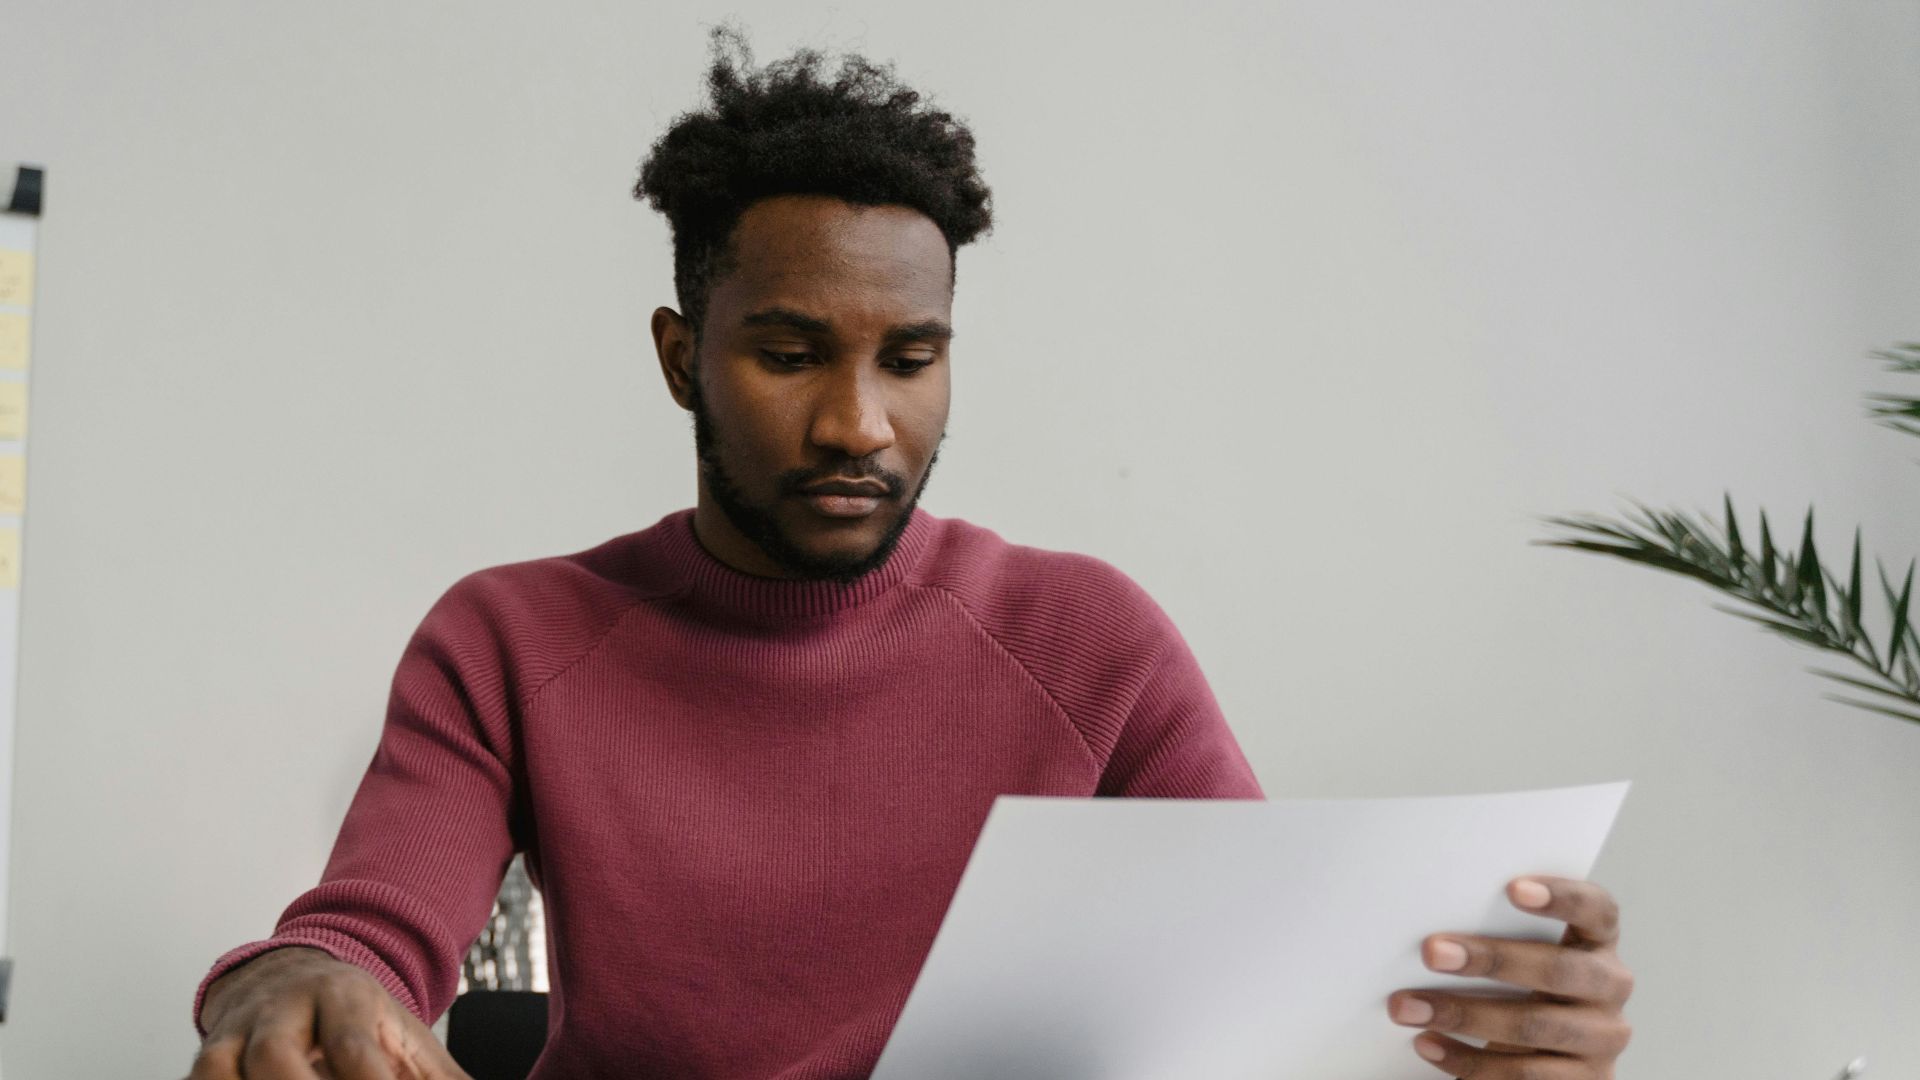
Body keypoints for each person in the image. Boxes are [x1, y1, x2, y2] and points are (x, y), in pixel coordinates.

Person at [186, 26, 1634, 1080]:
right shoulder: (512, 639)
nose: (859, 423)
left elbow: (1264, 996)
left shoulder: (1088, 643)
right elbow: (366, 939)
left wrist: (1497, 1035)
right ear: (683, 357)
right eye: (791, 353)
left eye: (912, 356)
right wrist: (302, 982)